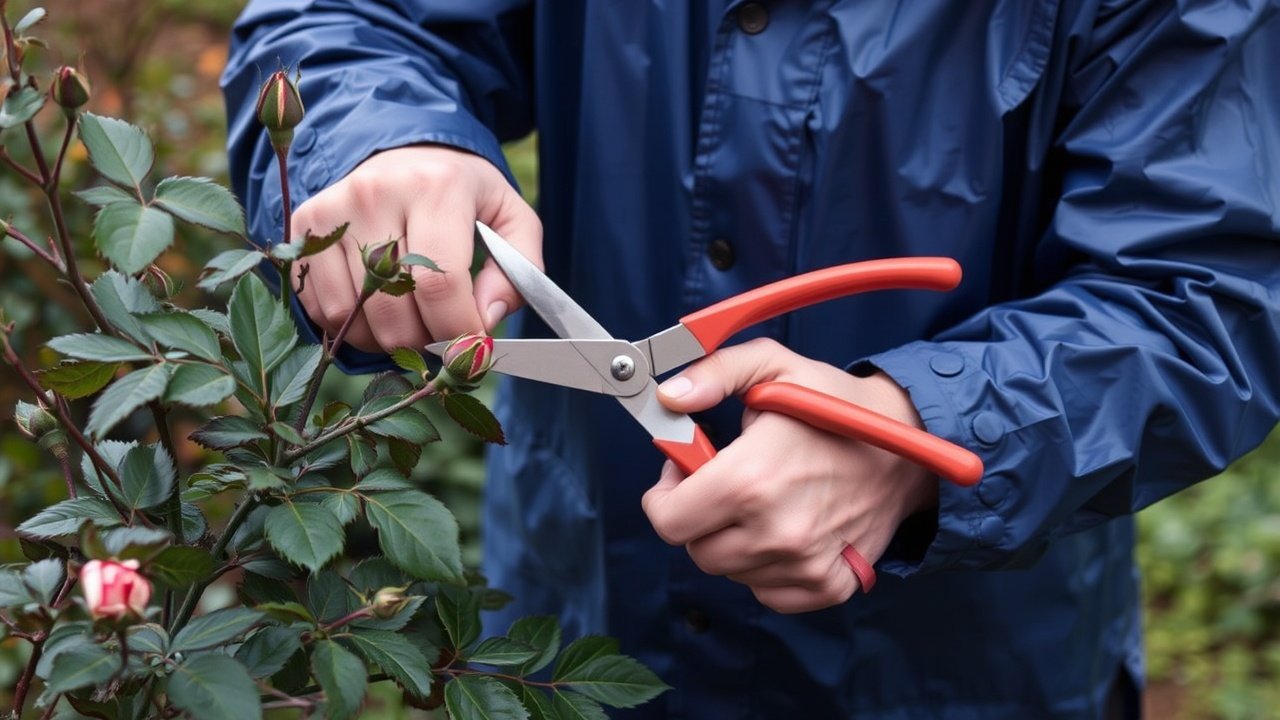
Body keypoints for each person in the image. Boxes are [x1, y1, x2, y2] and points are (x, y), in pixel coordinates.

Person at [222, 2, 1280, 717]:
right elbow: (356, 19)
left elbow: (1207, 286)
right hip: (572, 622)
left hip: (965, 669)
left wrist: (926, 432)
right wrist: (377, 143)